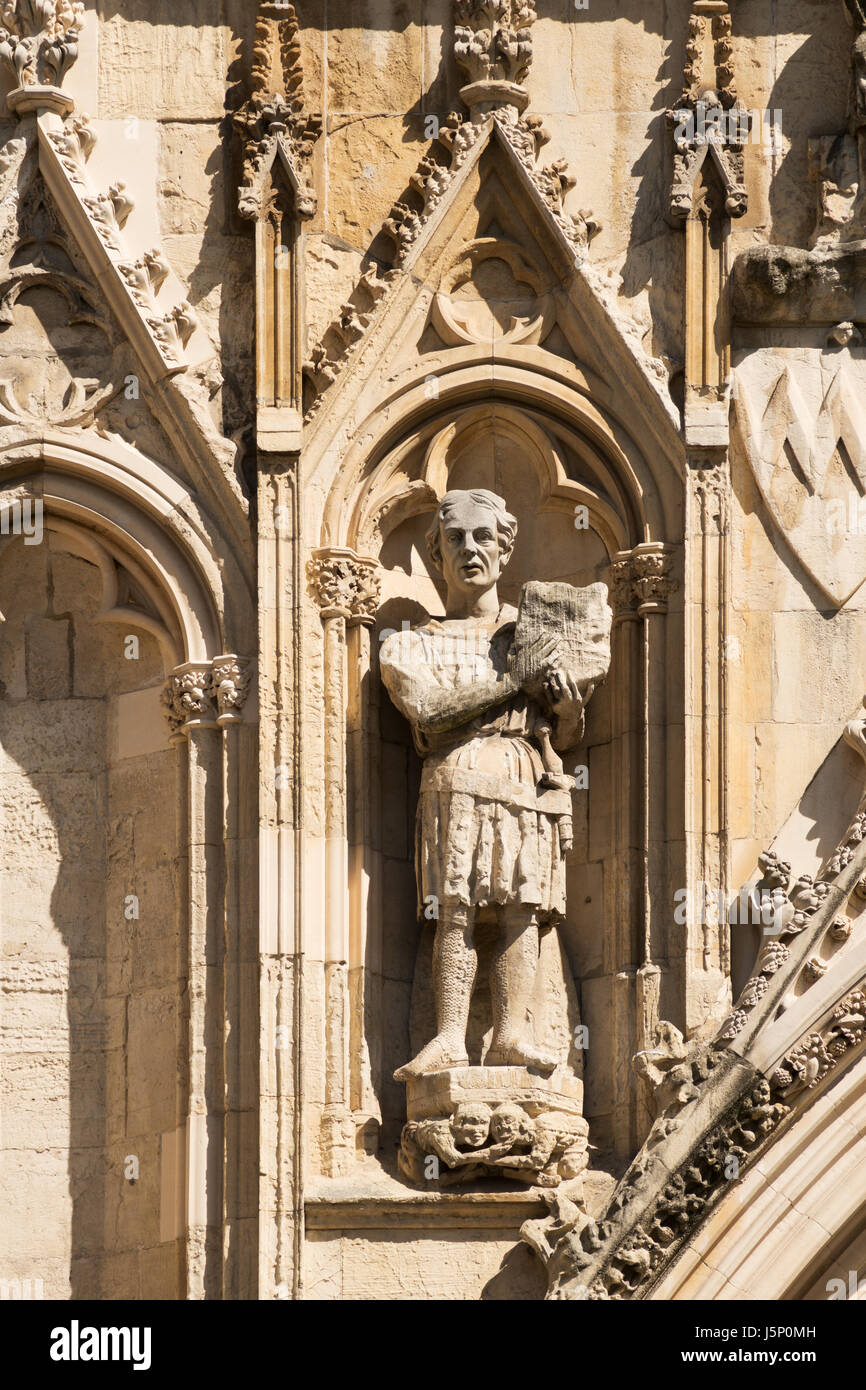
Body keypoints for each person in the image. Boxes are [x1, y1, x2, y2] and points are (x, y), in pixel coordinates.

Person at [380, 487, 587, 1081]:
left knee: (524, 908)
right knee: (457, 908)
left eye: (484, 537)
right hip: (455, 780)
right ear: (436, 554)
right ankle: (449, 1037)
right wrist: (511, 685)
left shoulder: (534, 635)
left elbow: (564, 731)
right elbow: (428, 711)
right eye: (456, 538)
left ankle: (513, 1034)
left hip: (526, 777)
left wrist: (567, 709)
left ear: (506, 548)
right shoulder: (410, 643)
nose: (471, 549)